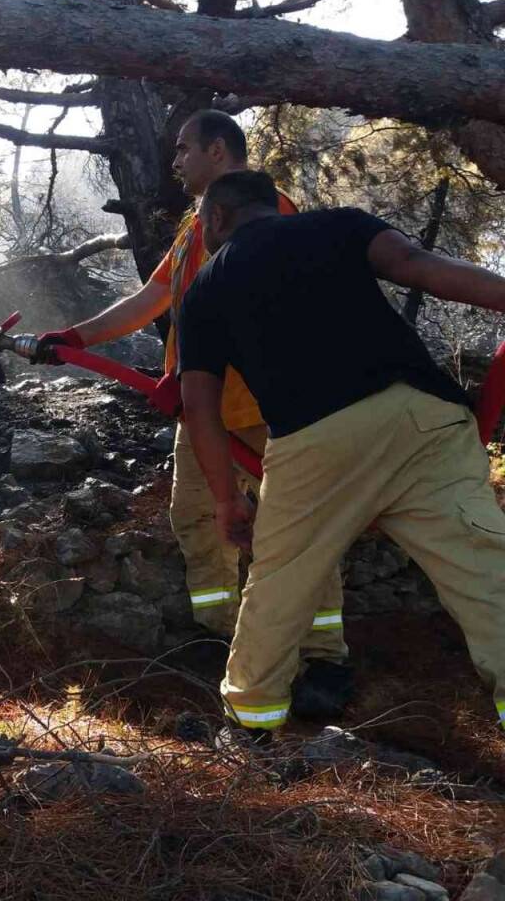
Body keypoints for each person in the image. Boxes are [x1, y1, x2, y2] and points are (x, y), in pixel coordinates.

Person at [178, 169, 505, 737]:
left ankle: (250, 727)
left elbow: (199, 408)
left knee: (278, 587)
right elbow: (419, 267)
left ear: (218, 218)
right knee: (487, 574)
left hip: (316, 442)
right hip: (423, 419)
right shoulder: (338, 225)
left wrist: (228, 500)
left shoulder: (207, 286)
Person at [37, 111, 349, 704]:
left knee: (294, 528)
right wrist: (75, 339)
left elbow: (282, 307)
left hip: (268, 406)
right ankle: (230, 638)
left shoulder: (268, 212)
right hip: (202, 410)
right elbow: (153, 297)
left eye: (183, 150)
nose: (175, 162)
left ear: (217, 150)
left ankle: (323, 658)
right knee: (197, 519)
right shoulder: (196, 228)